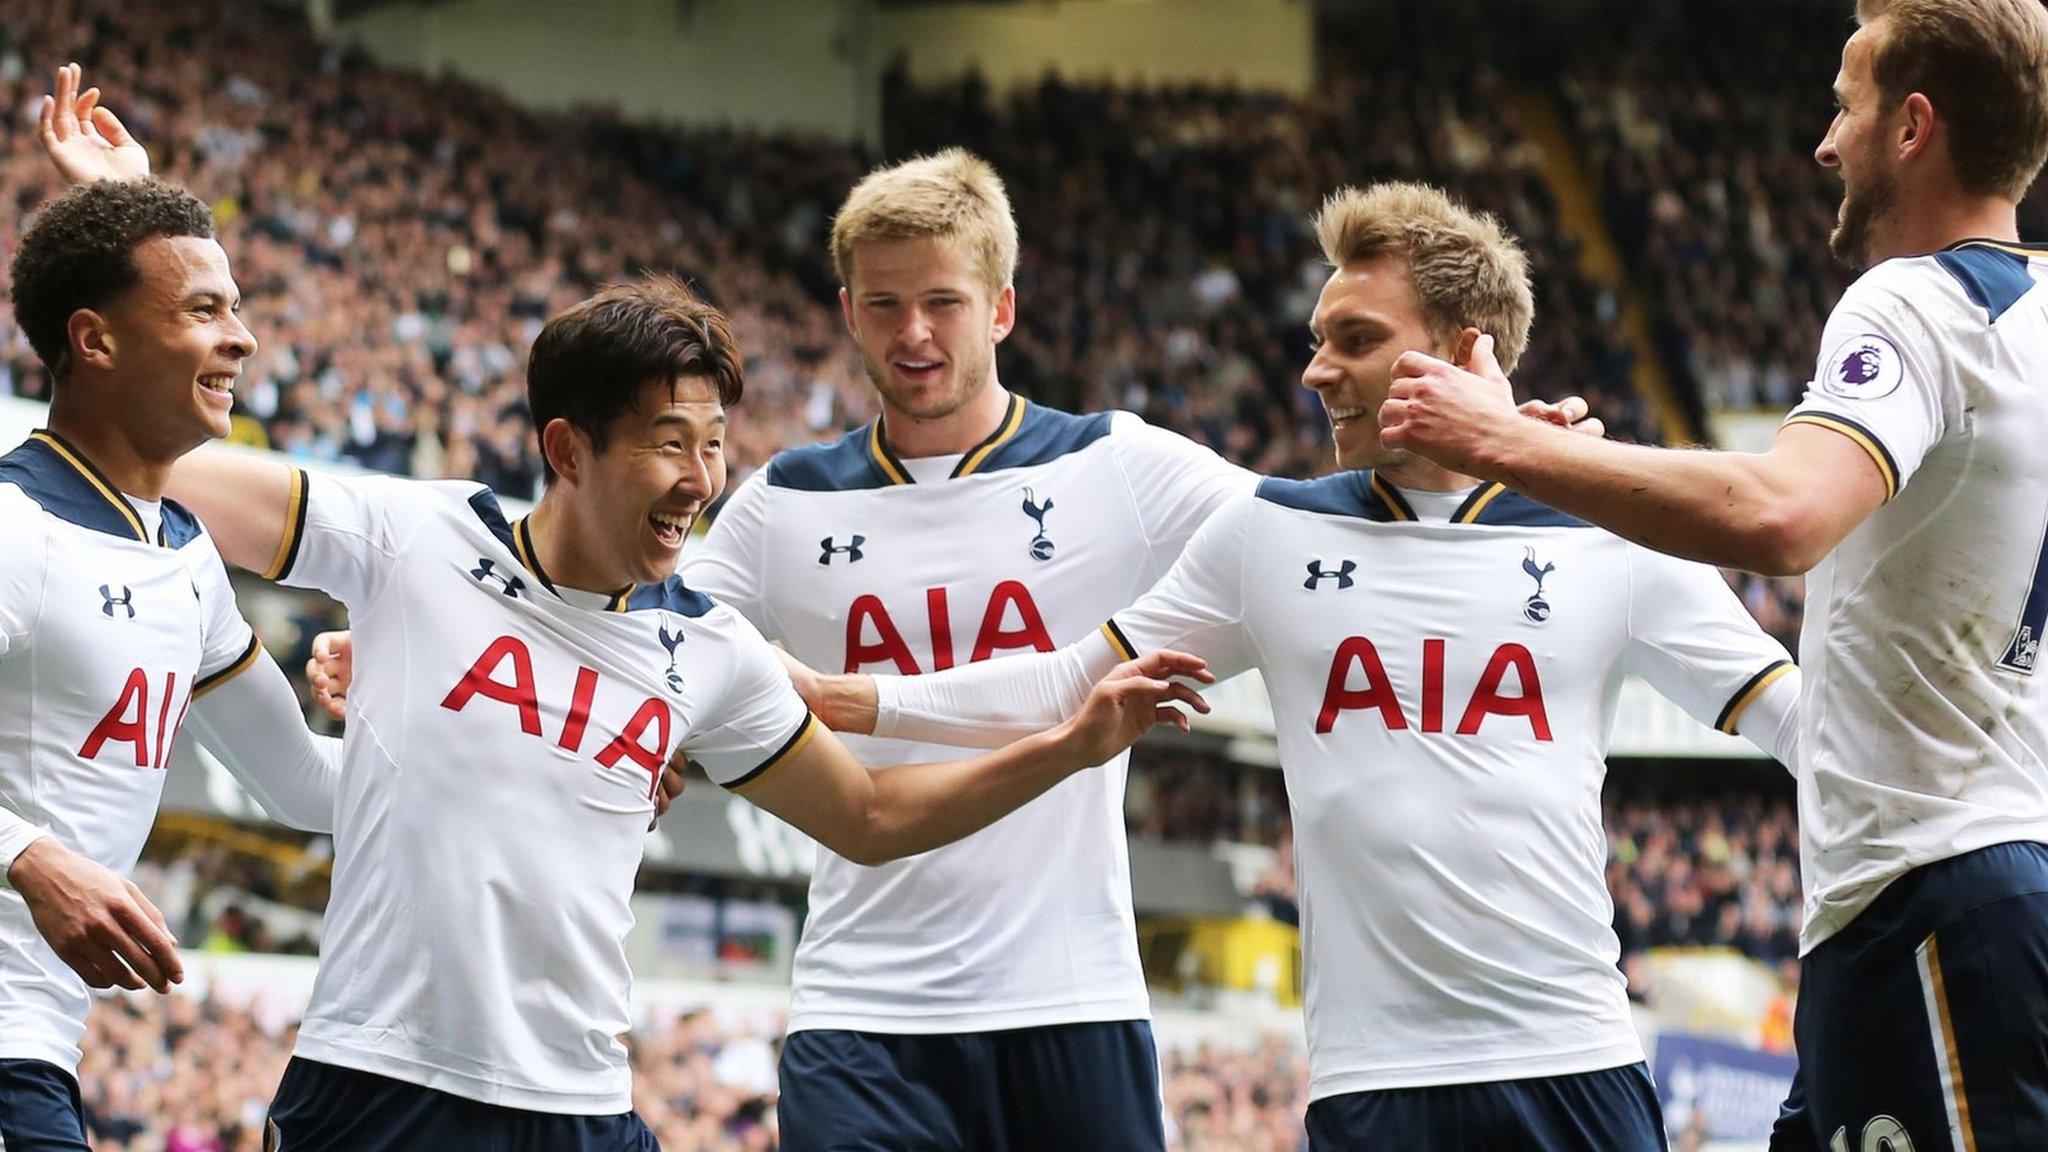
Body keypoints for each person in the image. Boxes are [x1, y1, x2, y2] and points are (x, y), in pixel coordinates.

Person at [790, 182, 1802, 1151]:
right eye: (1318, 340)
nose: (1317, 371)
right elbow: (1063, 681)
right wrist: (844, 698)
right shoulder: (1265, 533)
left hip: (1576, 1068)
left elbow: (1801, 727)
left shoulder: (1607, 531)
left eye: (1354, 341)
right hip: (1372, 1091)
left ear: (1461, 350)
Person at [167, 270, 1199, 1151]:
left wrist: (1070, 745)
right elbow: (161, 465)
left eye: (713, 444)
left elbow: (872, 820)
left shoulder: (709, 651)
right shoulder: (414, 539)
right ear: (567, 452)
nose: (700, 480)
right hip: (376, 1091)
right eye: (670, 443)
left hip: (581, 1108)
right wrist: (127, 239)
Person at [1374, 3, 2048, 1150]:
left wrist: (1500, 440)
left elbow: (1782, 515)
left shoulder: (1913, 302)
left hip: (1932, 892)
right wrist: (1568, 459)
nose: (1823, 143)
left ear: (1912, 126)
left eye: (1845, 104)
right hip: (1943, 886)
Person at [0, 65, 343, 1151]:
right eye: (205, 312)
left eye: (236, 310)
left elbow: (305, 785)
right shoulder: (14, 527)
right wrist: (26, 854)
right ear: (95, 342)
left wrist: (444, 713)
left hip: (38, 1041)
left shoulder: (186, 559)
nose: (240, 340)